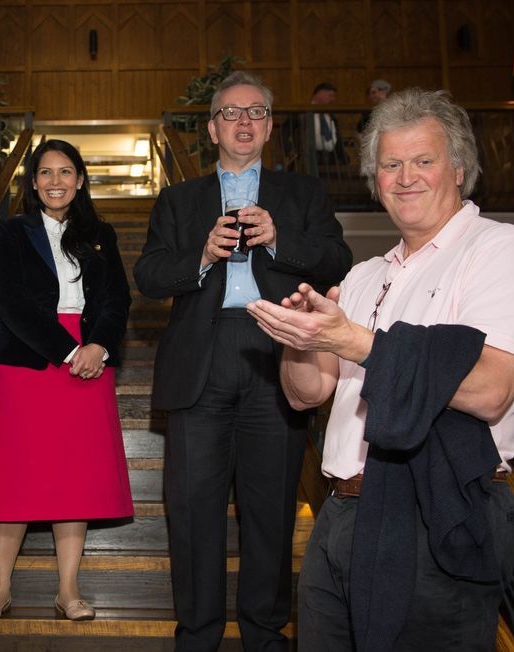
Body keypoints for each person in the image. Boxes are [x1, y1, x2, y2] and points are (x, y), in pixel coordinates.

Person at [249, 88, 514, 651]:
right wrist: (300, 342)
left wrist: (355, 341)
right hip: (341, 512)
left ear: (458, 169)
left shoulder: (499, 250)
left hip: (436, 513)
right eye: (390, 165)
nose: (405, 177)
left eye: (423, 160)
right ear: (375, 180)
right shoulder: (364, 274)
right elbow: (306, 394)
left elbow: (491, 389)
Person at [133, 71, 352, 651]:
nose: (244, 121)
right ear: (213, 129)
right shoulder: (178, 200)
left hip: (277, 354)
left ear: (270, 126)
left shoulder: (303, 193)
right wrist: (202, 255)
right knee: (192, 511)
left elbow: (338, 259)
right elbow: (148, 275)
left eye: (256, 111)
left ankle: (265, 636)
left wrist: (278, 239)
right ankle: (197, 637)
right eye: (231, 113)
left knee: (271, 510)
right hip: (200, 360)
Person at [0, 139, 133, 622]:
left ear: (80, 180)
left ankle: (68, 590)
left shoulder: (100, 233)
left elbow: (117, 298)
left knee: (74, 476)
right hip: (29, 361)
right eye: (46, 172)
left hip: (90, 362)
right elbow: (11, 300)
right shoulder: (13, 231)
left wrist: (98, 347)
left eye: (66, 172)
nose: (56, 181)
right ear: (34, 182)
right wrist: (67, 351)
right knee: (14, 474)